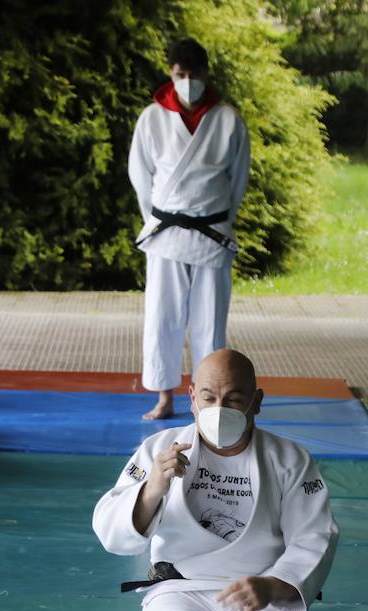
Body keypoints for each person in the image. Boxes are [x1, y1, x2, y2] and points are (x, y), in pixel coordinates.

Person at [93, 349, 338, 611]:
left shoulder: (288, 458)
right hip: (179, 586)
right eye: (208, 398)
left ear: (256, 402)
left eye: (234, 400)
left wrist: (273, 585)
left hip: (256, 590)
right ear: (192, 398)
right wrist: (153, 487)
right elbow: (111, 531)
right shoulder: (159, 450)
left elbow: (316, 534)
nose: (219, 408)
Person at [129, 38, 251, 421]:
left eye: (193, 74)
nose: (187, 82)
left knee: (210, 322)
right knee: (162, 317)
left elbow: (237, 180)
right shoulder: (152, 118)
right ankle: (164, 398)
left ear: (205, 73)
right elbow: (140, 175)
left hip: (212, 231)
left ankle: (209, 401)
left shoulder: (228, 119)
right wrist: (155, 216)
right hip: (166, 231)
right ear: (170, 73)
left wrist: (221, 218)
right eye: (180, 75)